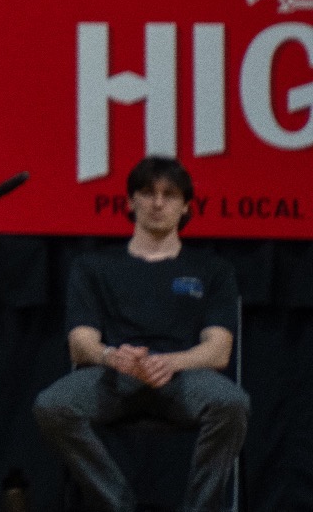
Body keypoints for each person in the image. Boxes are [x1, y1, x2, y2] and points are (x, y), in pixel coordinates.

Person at [33, 156, 248, 512]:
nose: (158, 203)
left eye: (169, 194)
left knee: (232, 404)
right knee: (53, 406)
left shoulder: (212, 270)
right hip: (116, 374)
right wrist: (111, 356)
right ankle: (117, 504)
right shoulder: (94, 266)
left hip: (182, 377)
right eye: (147, 193)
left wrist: (170, 362)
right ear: (131, 202)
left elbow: (218, 349)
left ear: (186, 206)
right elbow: (81, 343)